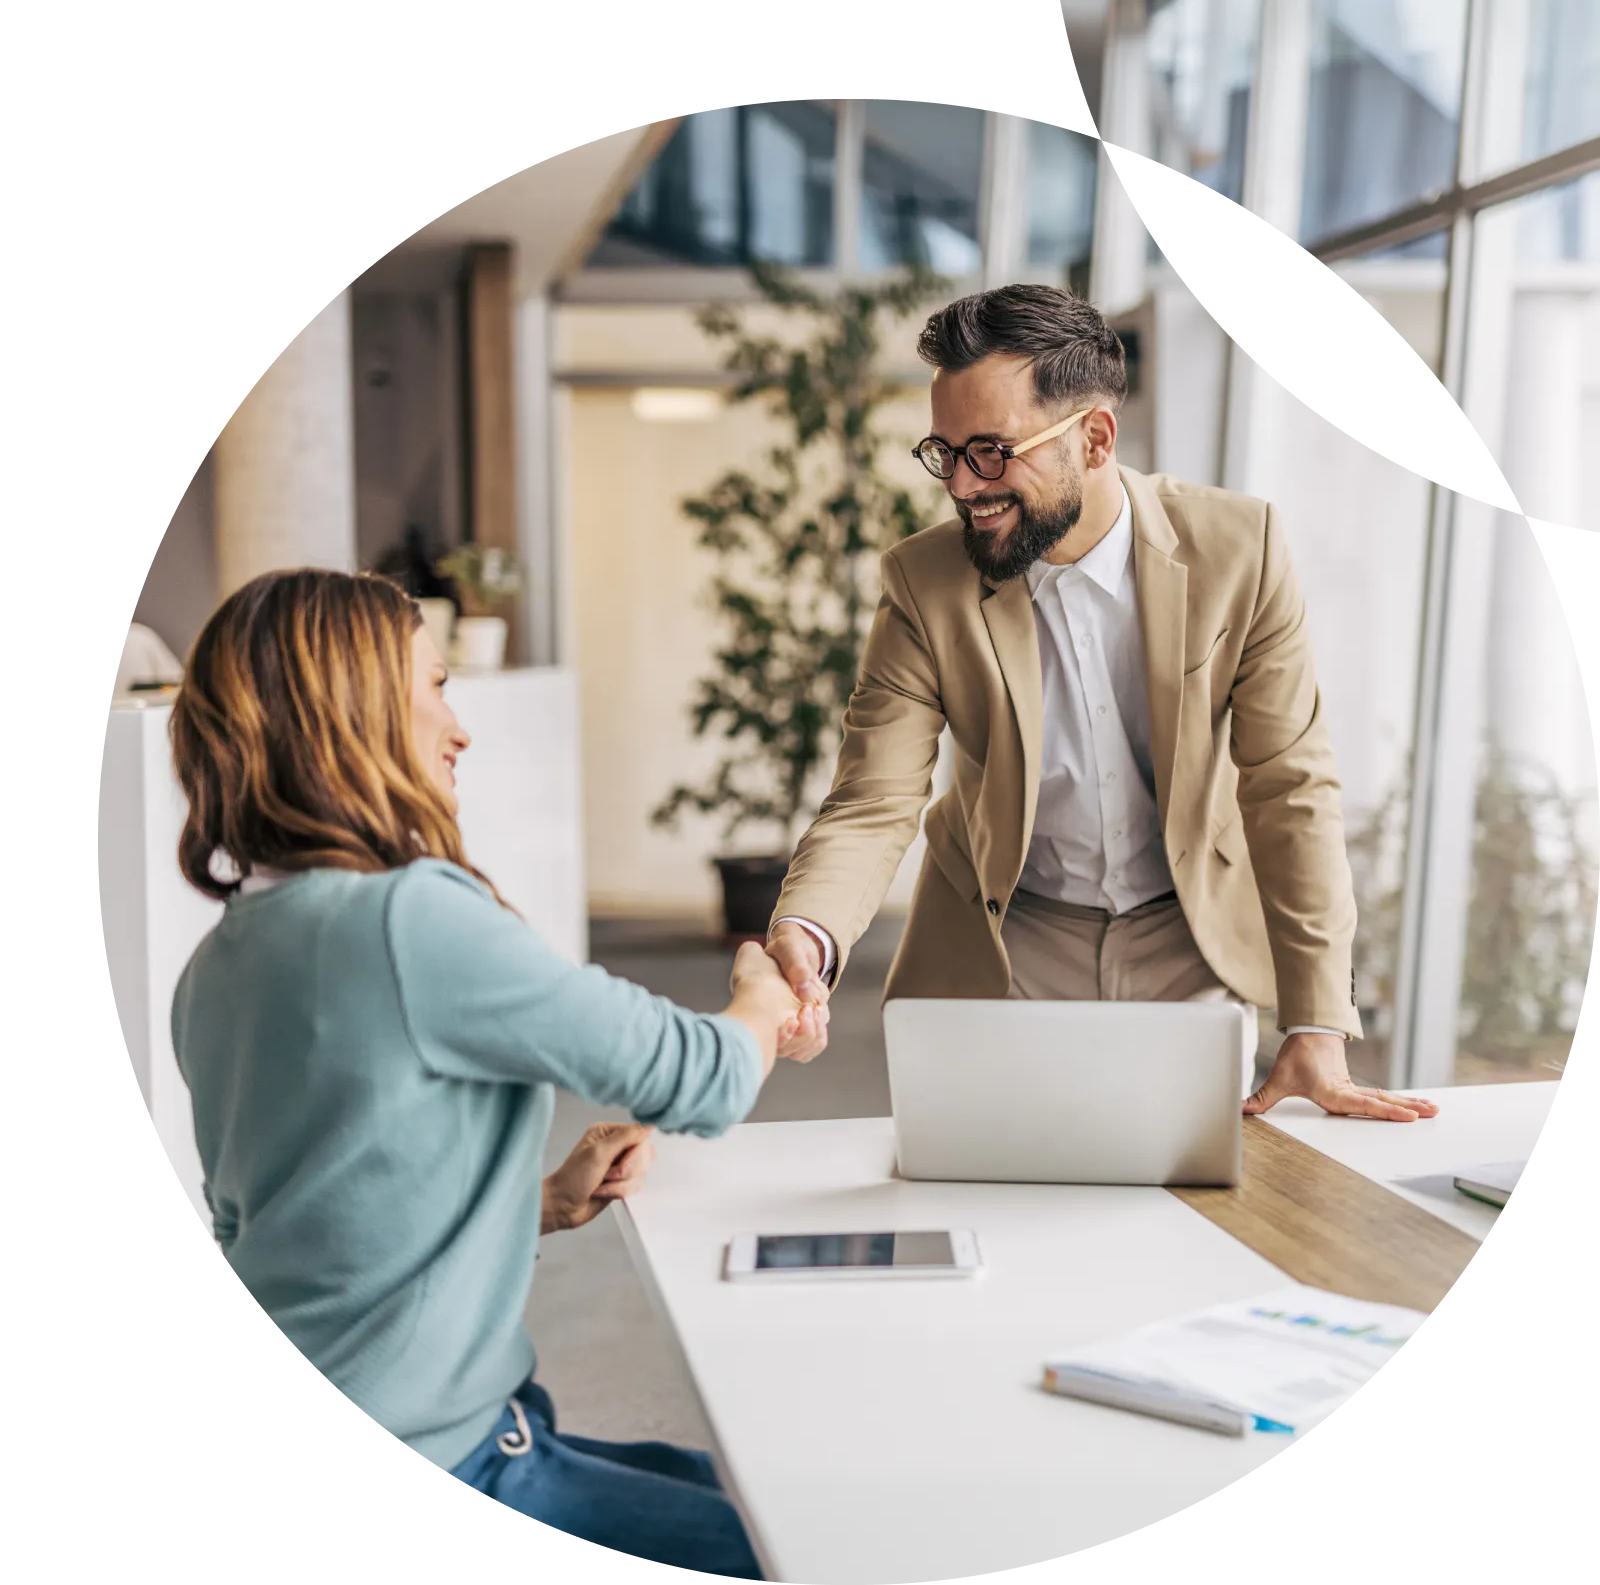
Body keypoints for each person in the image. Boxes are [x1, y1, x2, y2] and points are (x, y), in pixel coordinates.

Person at [169, 567, 806, 1580]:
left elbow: (303, 1223)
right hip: (450, 1446)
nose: (457, 728)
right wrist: (763, 994)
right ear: (355, 713)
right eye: (433, 687)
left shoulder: (219, 963)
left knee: (736, 1486)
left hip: (439, 1414)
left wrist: (539, 1201)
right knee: (790, 1541)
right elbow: (702, 1074)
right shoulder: (405, 917)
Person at [763, 284, 1438, 1124]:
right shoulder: (922, 582)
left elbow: (1288, 786)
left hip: (1186, 943)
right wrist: (810, 931)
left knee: (1191, 1213)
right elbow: (874, 798)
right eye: (946, 452)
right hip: (1008, 944)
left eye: (992, 451)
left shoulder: (1240, 551)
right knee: (988, 1204)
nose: (965, 487)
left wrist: (1316, 1018)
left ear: (1094, 437)